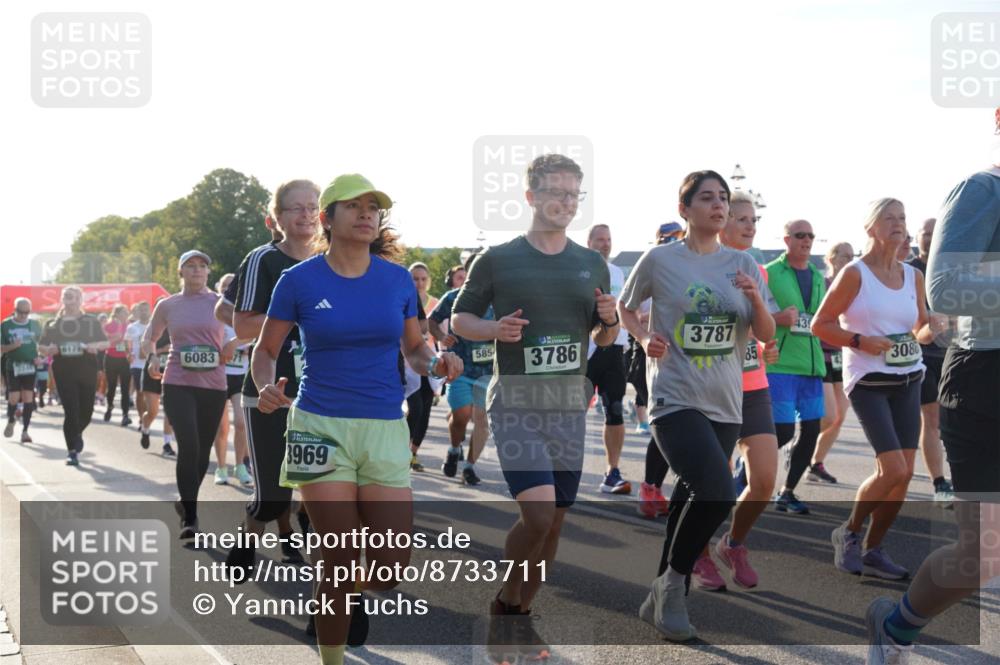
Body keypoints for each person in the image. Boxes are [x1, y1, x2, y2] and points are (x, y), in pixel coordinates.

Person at [254, 173, 461, 665]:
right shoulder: (298, 280)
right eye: (354, 206)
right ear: (328, 218)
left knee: (389, 569)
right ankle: (332, 655)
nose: (367, 213)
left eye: (374, 207)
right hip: (318, 426)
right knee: (340, 554)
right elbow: (265, 350)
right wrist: (265, 384)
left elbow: (413, 347)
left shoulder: (395, 280)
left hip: (384, 426)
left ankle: (336, 588)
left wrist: (434, 362)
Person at [453, 154, 617, 662]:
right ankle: (506, 601)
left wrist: (610, 320)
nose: (565, 203)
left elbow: (603, 338)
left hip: (569, 404)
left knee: (555, 523)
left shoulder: (590, 263)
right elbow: (460, 319)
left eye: (574, 194)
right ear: (530, 197)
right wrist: (493, 329)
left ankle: (517, 612)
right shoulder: (498, 258)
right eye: (555, 193)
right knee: (539, 513)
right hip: (517, 402)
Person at [864, 110, 1000, 664]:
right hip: (985, 378)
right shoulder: (982, 189)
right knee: (981, 554)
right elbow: (944, 289)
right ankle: (895, 627)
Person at [620, 170, 774, 640]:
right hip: (674, 393)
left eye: (723, 198)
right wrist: (645, 337)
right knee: (718, 489)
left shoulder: (743, 264)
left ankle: (664, 592)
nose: (718, 205)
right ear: (684, 209)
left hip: (725, 399)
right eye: (706, 198)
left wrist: (755, 301)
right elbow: (627, 308)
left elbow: (765, 334)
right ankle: (673, 584)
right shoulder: (660, 259)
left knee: (692, 492)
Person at [814, 198, 932, 584]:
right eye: (889, 218)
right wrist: (860, 340)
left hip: (908, 378)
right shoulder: (855, 274)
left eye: (902, 217)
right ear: (871, 228)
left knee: (904, 474)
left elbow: (918, 329)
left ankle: (874, 549)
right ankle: (848, 531)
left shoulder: (913, 275)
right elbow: (821, 325)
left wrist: (936, 328)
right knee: (892, 468)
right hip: (868, 382)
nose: (898, 224)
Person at [219, 184, 319, 578]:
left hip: (319, 394)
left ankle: (330, 592)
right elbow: (241, 324)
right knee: (273, 496)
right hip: (268, 392)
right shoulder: (264, 260)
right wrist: (302, 315)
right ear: (276, 217)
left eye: (313, 207)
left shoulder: (333, 260)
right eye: (296, 208)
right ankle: (249, 534)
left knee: (323, 493)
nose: (306, 215)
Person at [699, 189, 780, 591]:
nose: (750, 226)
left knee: (765, 479)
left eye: (754, 220)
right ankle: (695, 551)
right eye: (742, 219)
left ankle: (732, 543)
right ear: (721, 221)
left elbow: (762, 327)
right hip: (709, 387)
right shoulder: (696, 269)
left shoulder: (757, 271)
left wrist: (768, 343)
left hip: (752, 384)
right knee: (707, 484)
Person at [142, 250, 228, 538]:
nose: (197, 270)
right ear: (180, 272)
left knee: (203, 452)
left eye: (202, 266)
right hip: (177, 381)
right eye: (190, 266)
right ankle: (190, 519)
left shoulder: (221, 303)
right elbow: (149, 338)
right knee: (189, 446)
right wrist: (152, 358)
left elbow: (248, 329)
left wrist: (234, 344)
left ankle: (184, 502)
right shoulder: (168, 305)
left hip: (214, 385)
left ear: (208, 272)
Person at [765, 220, 827, 514]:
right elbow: (752, 310)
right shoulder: (770, 272)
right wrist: (776, 318)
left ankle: (787, 491)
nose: (807, 240)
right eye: (800, 235)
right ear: (786, 239)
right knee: (784, 430)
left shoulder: (816, 274)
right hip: (781, 363)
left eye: (811, 236)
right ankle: (744, 471)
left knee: (812, 430)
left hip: (811, 364)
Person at [428, 251, 494, 485]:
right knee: (461, 416)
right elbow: (432, 321)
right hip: (460, 369)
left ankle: (469, 466)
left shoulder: (499, 300)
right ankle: (454, 449)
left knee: (482, 420)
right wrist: (441, 337)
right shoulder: (454, 297)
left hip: (488, 373)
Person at [635, 223, 686, 518]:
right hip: (649, 357)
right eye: (667, 238)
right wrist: (643, 329)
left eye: (677, 238)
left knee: (673, 424)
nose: (672, 243)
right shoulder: (651, 264)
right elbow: (629, 310)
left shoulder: (688, 268)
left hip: (682, 358)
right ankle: (649, 488)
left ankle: (656, 487)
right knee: (664, 424)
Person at [905, 218, 955, 506]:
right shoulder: (910, 270)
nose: (931, 238)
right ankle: (939, 482)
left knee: (953, 420)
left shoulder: (951, 270)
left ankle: (955, 478)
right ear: (918, 238)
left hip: (952, 353)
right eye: (926, 233)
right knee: (932, 418)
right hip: (920, 354)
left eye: (936, 233)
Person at [586, 223, 633, 494]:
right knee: (572, 414)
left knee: (614, 411)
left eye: (609, 239)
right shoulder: (578, 271)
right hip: (584, 351)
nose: (606, 244)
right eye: (600, 239)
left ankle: (611, 472)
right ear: (589, 242)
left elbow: (627, 309)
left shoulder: (617, 273)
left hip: (614, 349)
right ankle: (561, 469)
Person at [37, 287, 108, 465]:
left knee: (87, 412)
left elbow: (105, 342)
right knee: (71, 411)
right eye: (67, 296)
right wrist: (50, 350)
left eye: (74, 297)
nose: (70, 299)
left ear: (80, 300)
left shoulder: (90, 321)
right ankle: (72, 451)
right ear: (63, 300)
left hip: (87, 371)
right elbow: (41, 347)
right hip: (64, 372)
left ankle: (76, 433)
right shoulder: (53, 323)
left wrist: (93, 346)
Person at [810, 242, 855, 484]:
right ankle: (803, 444)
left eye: (852, 255)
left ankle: (816, 462)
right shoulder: (823, 285)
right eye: (844, 255)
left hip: (844, 355)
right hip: (821, 354)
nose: (849, 259)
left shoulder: (855, 287)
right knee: (829, 415)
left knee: (839, 416)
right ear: (831, 258)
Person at [213, 273, 252, 487]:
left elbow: (254, 334)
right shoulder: (214, 313)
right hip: (218, 376)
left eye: (232, 286)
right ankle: (221, 467)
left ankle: (240, 466)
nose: (229, 289)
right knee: (221, 427)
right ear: (220, 289)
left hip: (240, 375)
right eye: (225, 286)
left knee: (240, 422)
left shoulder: (244, 313)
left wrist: (236, 344)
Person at [404, 262, 439, 471]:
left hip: (429, 362)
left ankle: (413, 453)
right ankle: (402, 450)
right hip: (406, 363)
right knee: (414, 407)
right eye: (415, 278)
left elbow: (440, 329)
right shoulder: (404, 297)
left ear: (429, 280)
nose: (419, 283)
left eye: (423, 279)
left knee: (425, 409)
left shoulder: (435, 303)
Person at [2, 298, 42, 443]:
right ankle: (11, 419)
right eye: (21, 312)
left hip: (30, 365)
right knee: (13, 397)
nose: (24, 315)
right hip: (13, 365)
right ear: (15, 309)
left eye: (27, 312)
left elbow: (42, 345)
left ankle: (25, 431)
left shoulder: (35, 325)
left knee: (28, 398)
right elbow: (1, 347)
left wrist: (40, 357)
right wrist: (12, 346)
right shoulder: (6, 325)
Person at [140, 324, 176, 456]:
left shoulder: (179, 326)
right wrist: (161, 350)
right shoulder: (152, 329)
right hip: (152, 373)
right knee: (152, 412)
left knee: (170, 410)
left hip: (171, 373)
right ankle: (145, 428)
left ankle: (167, 443)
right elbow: (141, 352)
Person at [102, 304, 133, 427]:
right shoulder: (108, 326)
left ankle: (125, 415)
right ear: (117, 314)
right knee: (112, 386)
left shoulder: (130, 326)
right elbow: (104, 343)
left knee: (125, 388)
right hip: (111, 358)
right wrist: (115, 338)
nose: (126, 315)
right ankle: (109, 407)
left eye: (127, 313)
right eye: (124, 313)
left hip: (125, 360)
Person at [125, 301, 152, 428]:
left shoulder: (154, 326)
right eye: (141, 310)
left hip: (151, 363)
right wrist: (128, 353)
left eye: (146, 310)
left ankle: (147, 416)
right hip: (137, 364)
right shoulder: (132, 327)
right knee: (140, 393)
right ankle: (142, 418)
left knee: (149, 394)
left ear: (150, 311)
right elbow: (127, 342)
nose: (144, 312)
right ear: (137, 312)